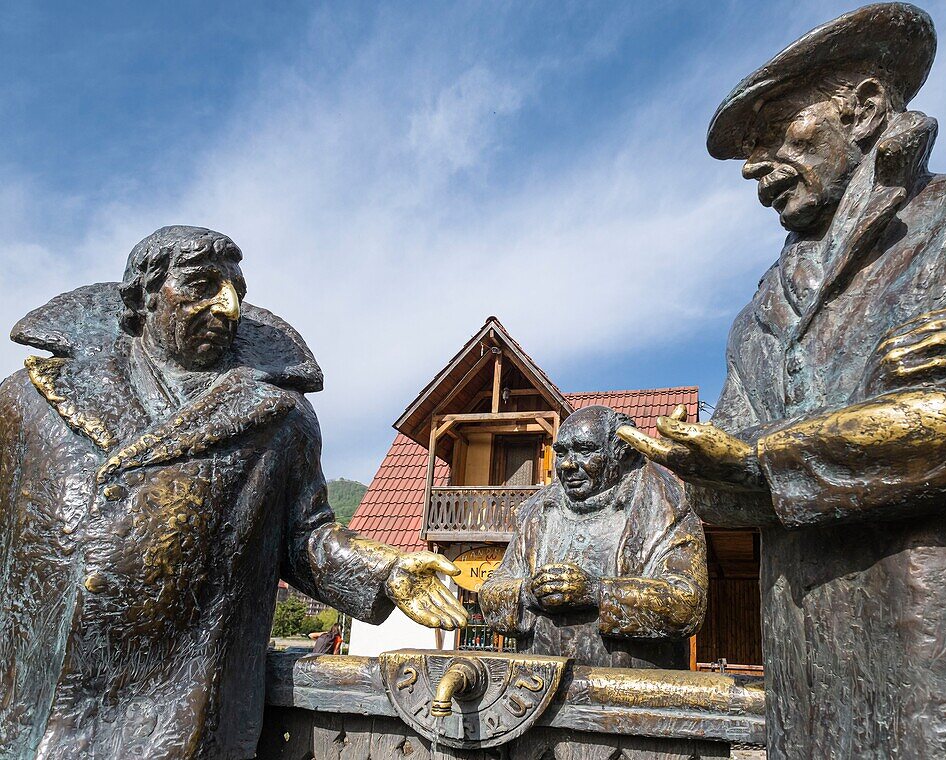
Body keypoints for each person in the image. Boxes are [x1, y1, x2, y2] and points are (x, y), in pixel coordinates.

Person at [619, 3, 946, 757]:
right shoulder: (758, 314)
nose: (752, 164)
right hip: (807, 713)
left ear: (866, 109)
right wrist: (859, 415)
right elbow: (717, 488)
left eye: (777, 129)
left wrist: (761, 457)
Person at [0, 226, 467, 760]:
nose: (226, 306)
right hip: (34, 702)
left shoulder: (278, 417)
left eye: (236, 293)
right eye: (201, 286)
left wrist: (385, 571)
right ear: (142, 299)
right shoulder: (29, 398)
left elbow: (306, 537)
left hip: (182, 698)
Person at [480, 405, 707, 669]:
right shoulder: (536, 513)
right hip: (536, 688)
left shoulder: (666, 504)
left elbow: (687, 605)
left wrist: (597, 592)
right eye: (562, 453)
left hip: (629, 693)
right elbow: (490, 594)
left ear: (620, 452)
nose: (567, 464)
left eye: (585, 451)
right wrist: (527, 593)